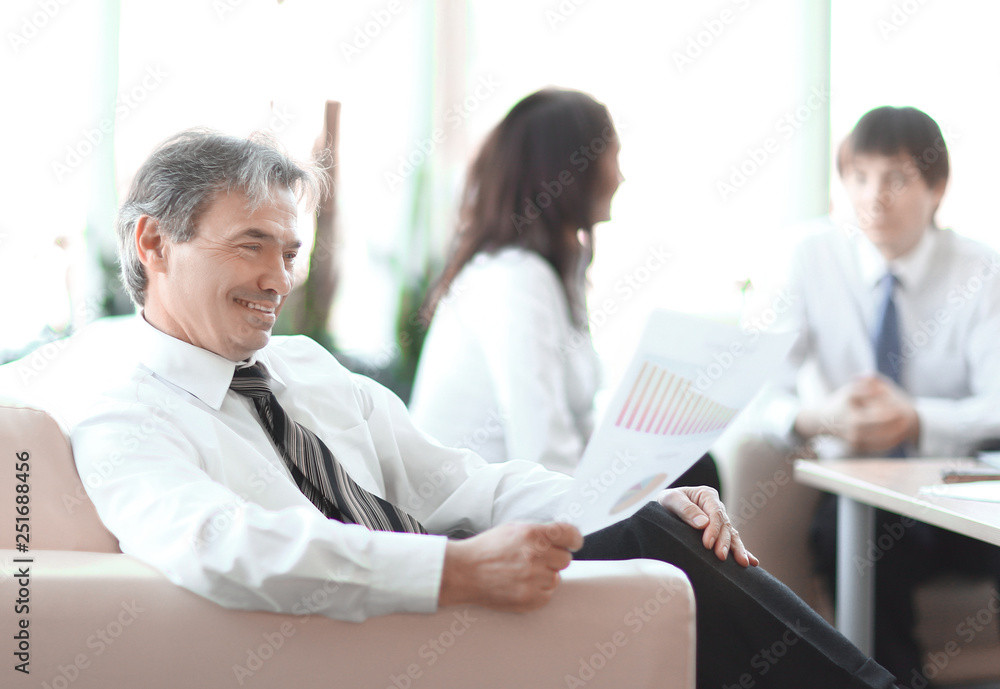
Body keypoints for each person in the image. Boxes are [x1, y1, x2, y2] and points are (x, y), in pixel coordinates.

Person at [68, 127, 896, 689]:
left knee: (662, 521)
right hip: (380, 625)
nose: (280, 281)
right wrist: (456, 568)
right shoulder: (126, 413)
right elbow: (220, 545)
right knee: (658, 547)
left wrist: (627, 495)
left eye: (290, 252)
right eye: (252, 244)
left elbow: (460, 484)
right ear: (152, 243)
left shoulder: (302, 366)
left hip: (454, 589)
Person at [753, 105, 1000, 685]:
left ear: (937, 188)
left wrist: (915, 421)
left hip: (958, 487)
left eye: (896, 177)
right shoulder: (808, 256)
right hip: (860, 491)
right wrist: (822, 418)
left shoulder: (981, 270)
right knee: (853, 544)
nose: (873, 197)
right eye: (858, 177)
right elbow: (761, 398)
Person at [410, 88, 718, 489]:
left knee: (693, 468)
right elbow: (541, 451)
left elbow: (578, 429)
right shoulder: (514, 280)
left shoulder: (552, 274)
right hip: (476, 521)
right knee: (689, 482)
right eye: (614, 157)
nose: (621, 177)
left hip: (527, 494)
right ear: (571, 171)